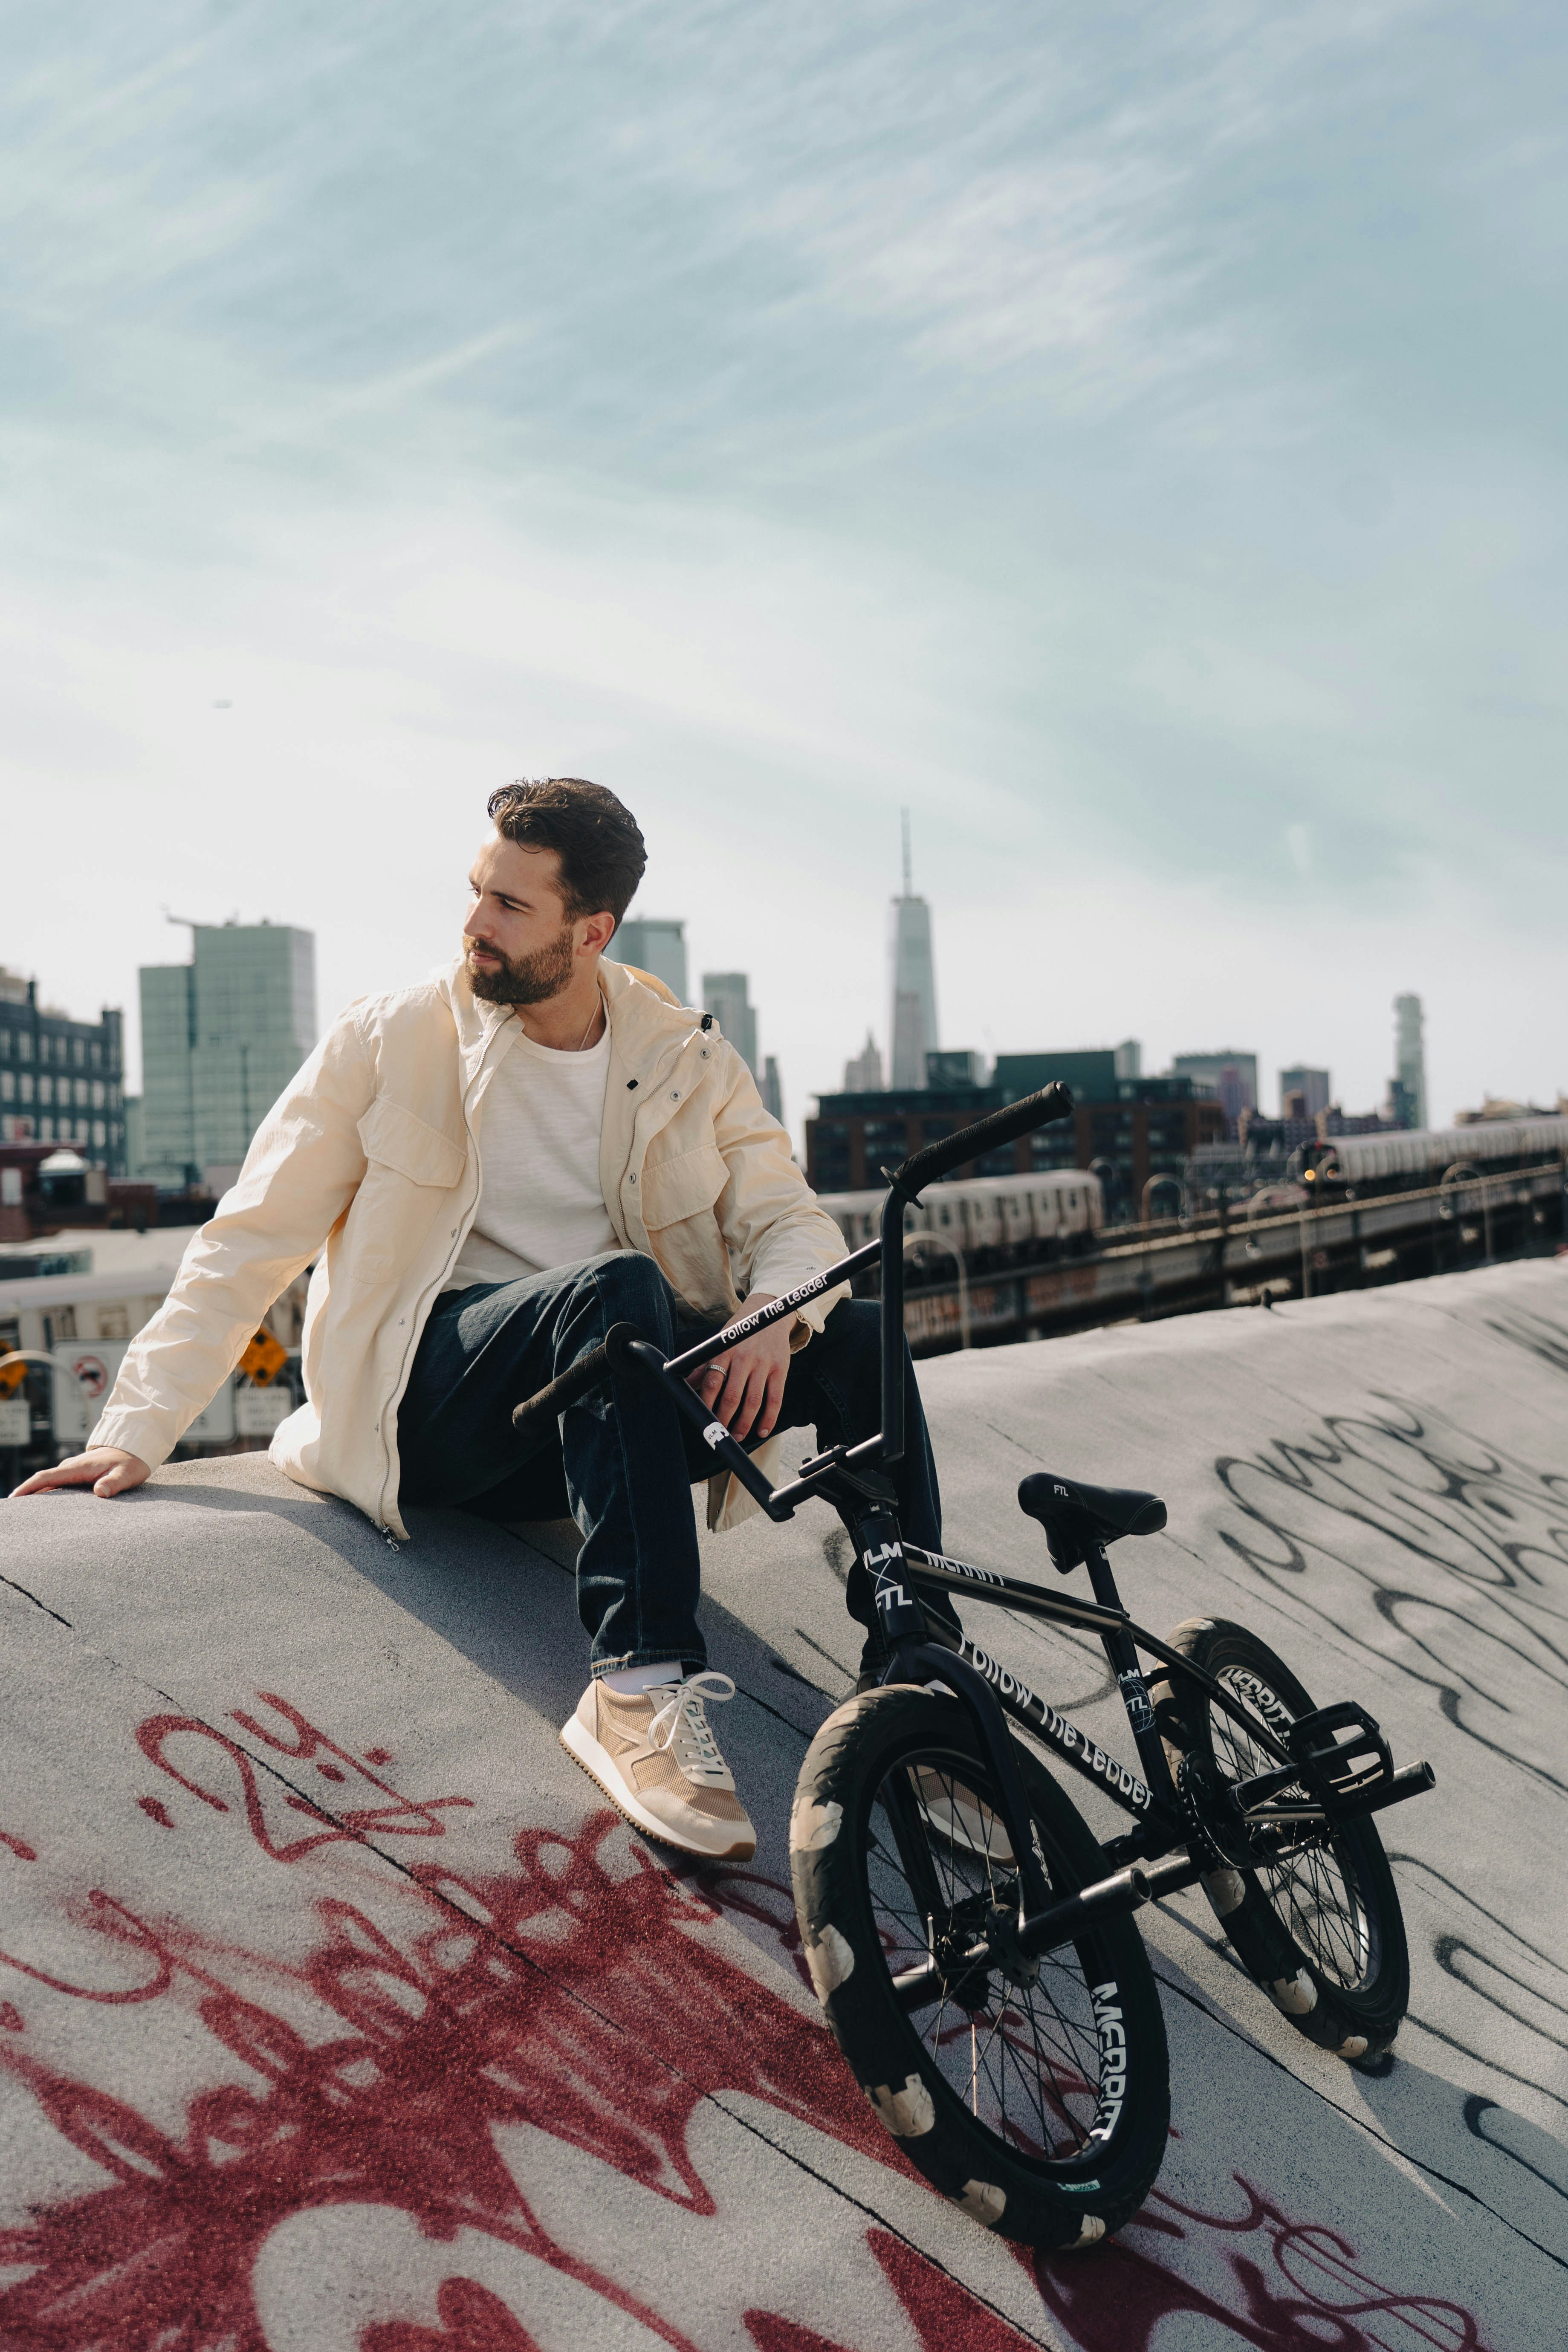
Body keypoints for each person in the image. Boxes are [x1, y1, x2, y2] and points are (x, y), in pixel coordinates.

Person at [11, 778, 953, 1863]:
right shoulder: (393, 1038)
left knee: (860, 1332)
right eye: (475, 893)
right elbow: (247, 1237)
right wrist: (129, 1431)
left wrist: (770, 1320)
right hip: (437, 1406)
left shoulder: (682, 1052)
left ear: (590, 932)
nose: (474, 924)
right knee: (620, 1288)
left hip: (603, 1412)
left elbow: (790, 1216)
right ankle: (637, 1685)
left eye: (510, 905)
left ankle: (919, 1678)